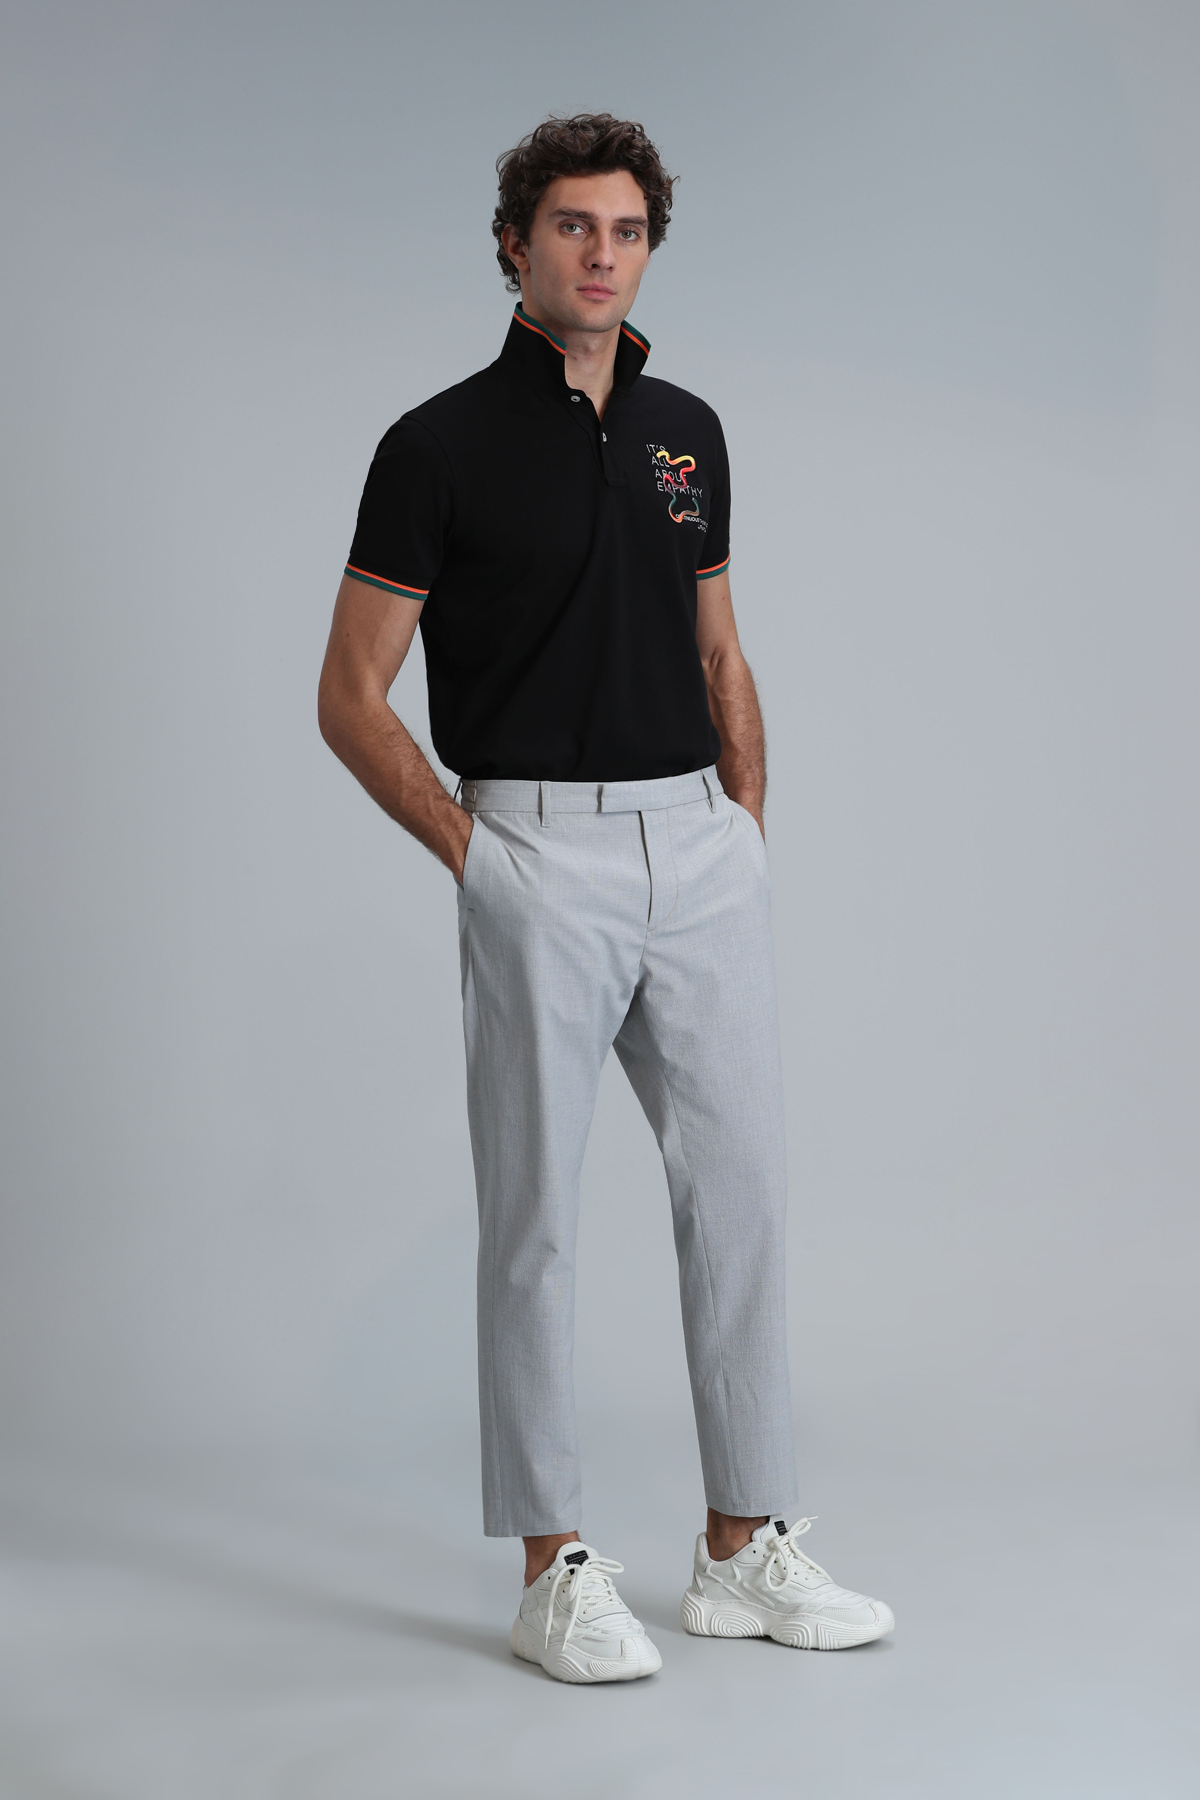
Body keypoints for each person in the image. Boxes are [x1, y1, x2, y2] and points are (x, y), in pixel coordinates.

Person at [318, 113, 894, 1683]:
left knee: (743, 1196)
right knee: (539, 1224)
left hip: (697, 849)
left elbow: (719, 647)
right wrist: (475, 852)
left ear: (648, 249)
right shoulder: (434, 447)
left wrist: (744, 824)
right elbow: (352, 695)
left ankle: (741, 1550)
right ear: (514, 244)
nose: (601, 253)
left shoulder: (686, 431)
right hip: (535, 851)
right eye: (572, 225)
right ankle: (551, 1567)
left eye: (627, 230)